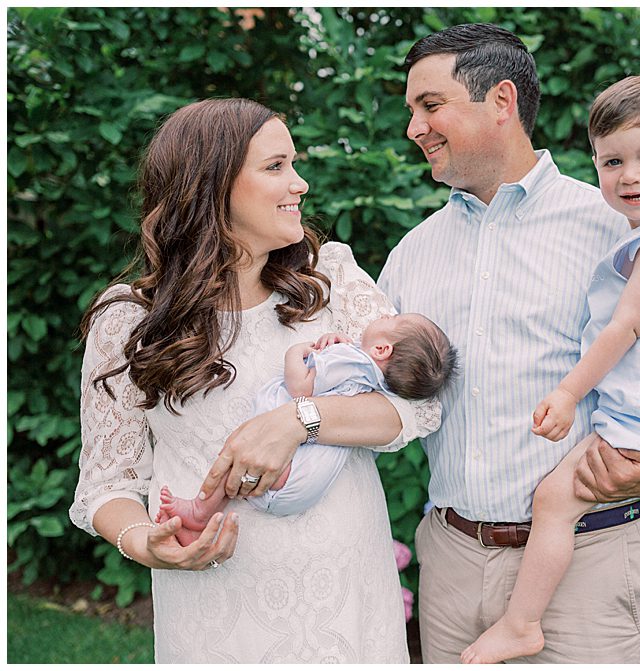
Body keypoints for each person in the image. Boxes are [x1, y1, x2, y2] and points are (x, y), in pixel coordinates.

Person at [70, 98, 440, 663]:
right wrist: (146, 543)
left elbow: (416, 409)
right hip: (217, 604)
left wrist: (297, 421)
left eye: (294, 163)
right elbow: (105, 486)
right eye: (276, 167)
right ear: (209, 185)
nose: (301, 183)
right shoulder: (127, 320)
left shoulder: (329, 280)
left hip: (346, 596)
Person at [377, 24, 640, 663]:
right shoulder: (411, 255)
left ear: (502, 101)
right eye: (412, 110)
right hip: (451, 562)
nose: (414, 128)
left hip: (593, 566)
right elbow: (382, 395)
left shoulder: (619, 231)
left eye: (430, 106)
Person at [461, 74, 640, 664]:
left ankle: (522, 622)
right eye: (612, 161)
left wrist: (566, 394)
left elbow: (626, 327)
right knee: (637, 454)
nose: (630, 175)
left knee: (555, 500)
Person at [157, 315, 457, 544]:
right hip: (304, 484)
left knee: (239, 454)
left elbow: (301, 387)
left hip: (289, 471)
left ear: (381, 348)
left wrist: (295, 353)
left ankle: (200, 510)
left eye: (391, 319)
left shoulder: (350, 359)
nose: (383, 315)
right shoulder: (373, 380)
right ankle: (202, 523)